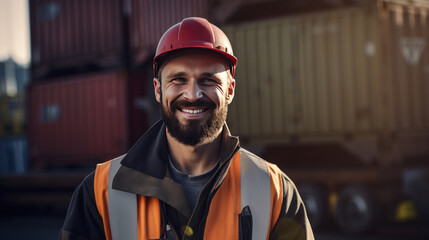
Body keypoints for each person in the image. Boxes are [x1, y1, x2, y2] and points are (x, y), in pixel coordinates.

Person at [59, 17, 314, 240]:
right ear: (158, 90)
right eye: (179, 79)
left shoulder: (275, 191)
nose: (193, 94)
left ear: (230, 91)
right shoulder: (100, 192)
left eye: (208, 80)